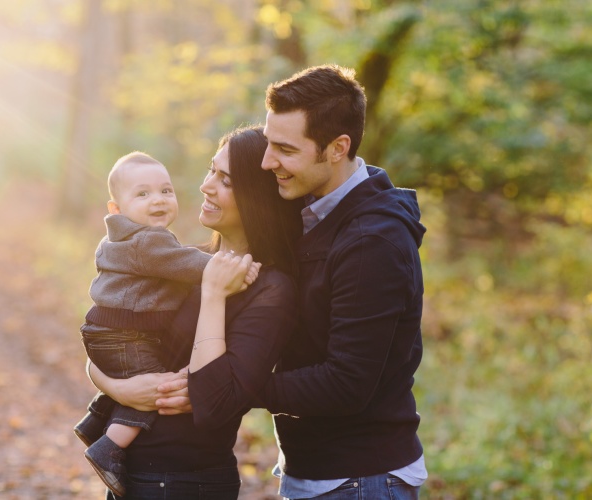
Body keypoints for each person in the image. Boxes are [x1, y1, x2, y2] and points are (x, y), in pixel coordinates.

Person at [163, 64, 428, 499]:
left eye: (285, 150)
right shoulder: (315, 210)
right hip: (318, 474)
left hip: (358, 480)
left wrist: (231, 386)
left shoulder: (371, 242)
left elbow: (345, 383)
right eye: (269, 144)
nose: (269, 162)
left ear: (337, 148)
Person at [87, 125, 305, 499]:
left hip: (186, 480)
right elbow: (113, 339)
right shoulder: (185, 262)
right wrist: (117, 387)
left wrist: (216, 293)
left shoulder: (270, 289)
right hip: (131, 473)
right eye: (210, 171)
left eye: (225, 179)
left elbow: (214, 396)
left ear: (257, 195)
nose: (206, 186)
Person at [74, 151, 259, 496]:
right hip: (122, 334)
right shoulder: (148, 242)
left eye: (165, 191)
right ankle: (108, 447)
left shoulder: (133, 242)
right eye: (142, 194)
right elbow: (186, 262)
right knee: (152, 384)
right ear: (116, 209)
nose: (157, 200)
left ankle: (96, 419)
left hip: (112, 333)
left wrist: (115, 388)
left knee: (141, 379)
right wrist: (228, 268)